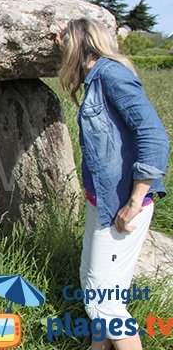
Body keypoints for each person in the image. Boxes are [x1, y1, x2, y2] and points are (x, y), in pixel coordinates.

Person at [56, 18, 169, 350]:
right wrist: (62, 35)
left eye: (67, 47)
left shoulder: (111, 75)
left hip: (122, 205)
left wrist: (135, 200)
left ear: (78, 46)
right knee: (96, 286)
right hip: (103, 201)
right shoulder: (98, 75)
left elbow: (154, 136)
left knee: (104, 302)